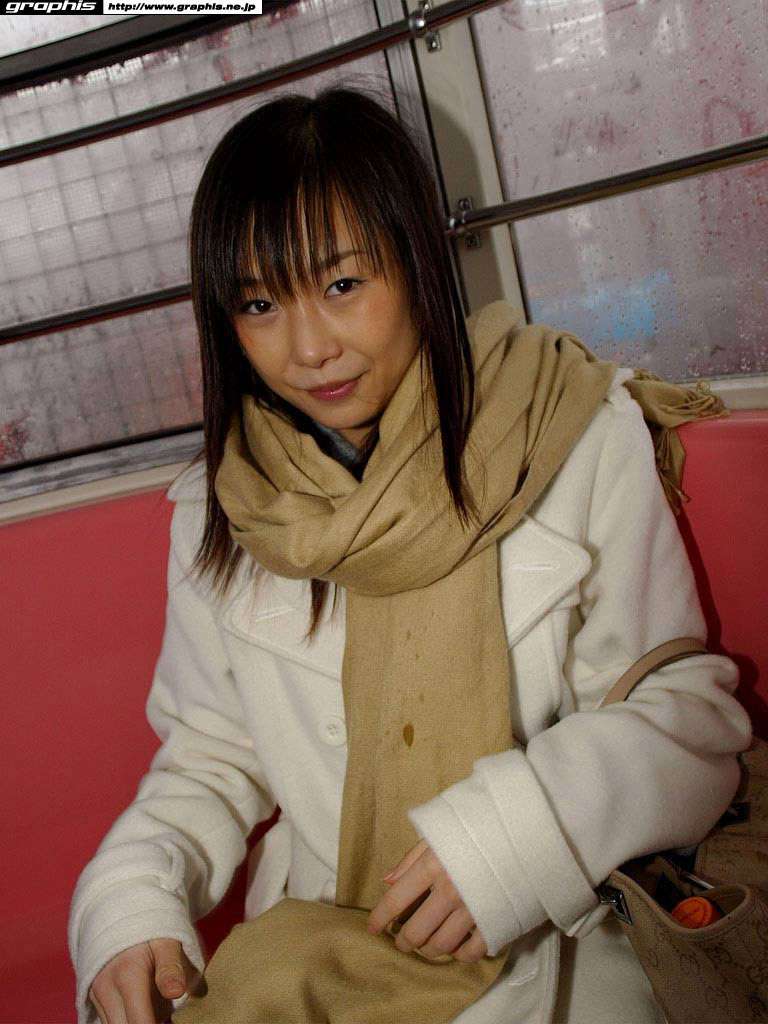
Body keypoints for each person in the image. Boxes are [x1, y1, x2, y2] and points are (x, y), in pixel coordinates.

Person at [68, 85, 753, 1024]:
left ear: (417, 259)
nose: (309, 348)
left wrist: (513, 842)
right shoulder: (222, 508)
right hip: (319, 951)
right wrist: (128, 908)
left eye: (342, 285)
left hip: (552, 944)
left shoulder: (570, 432)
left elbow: (686, 714)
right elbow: (211, 759)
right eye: (260, 303)